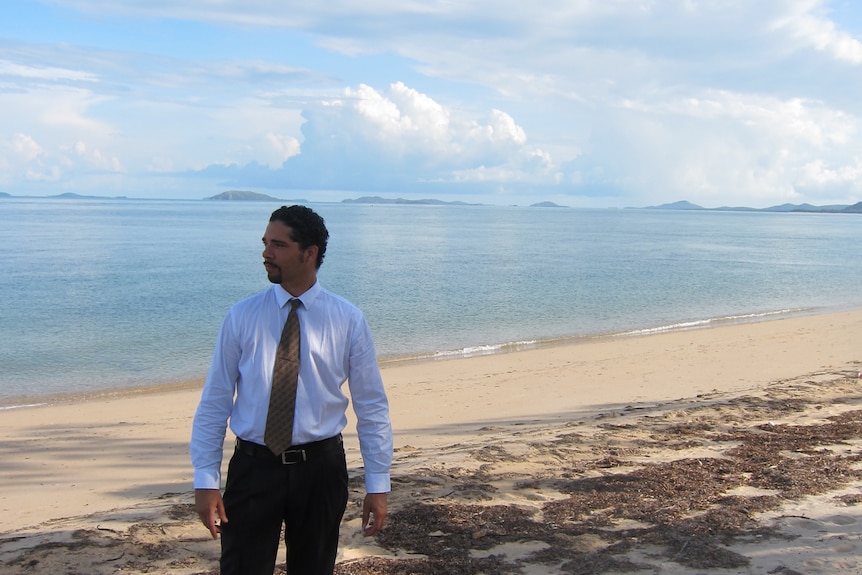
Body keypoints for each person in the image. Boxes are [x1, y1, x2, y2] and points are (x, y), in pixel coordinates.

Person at [190, 204, 393, 575]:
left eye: (278, 245)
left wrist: (378, 485)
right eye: (266, 243)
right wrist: (205, 479)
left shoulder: (348, 320)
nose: (266, 253)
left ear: (309, 253)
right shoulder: (241, 316)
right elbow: (215, 401)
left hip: (321, 470)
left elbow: (372, 407)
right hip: (253, 469)